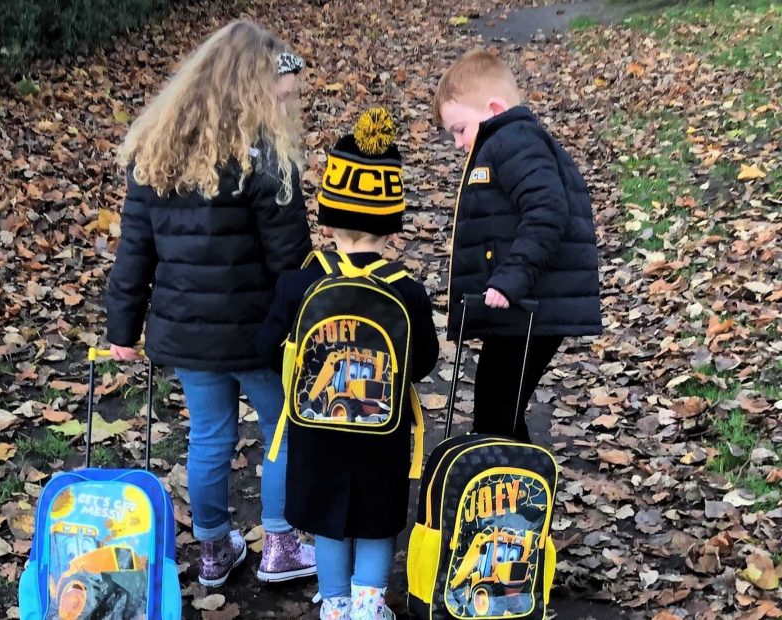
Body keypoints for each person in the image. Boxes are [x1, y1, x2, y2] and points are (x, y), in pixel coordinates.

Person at [104, 20, 317, 588]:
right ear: (251, 88)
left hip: (190, 335)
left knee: (209, 436)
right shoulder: (266, 161)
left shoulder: (157, 153)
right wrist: (311, 319)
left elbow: (135, 253)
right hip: (259, 333)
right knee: (282, 429)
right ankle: (278, 542)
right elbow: (291, 260)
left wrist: (122, 328)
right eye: (282, 93)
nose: (287, 104)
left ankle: (215, 547)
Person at [257, 109, 439, 620]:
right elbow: (422, 361)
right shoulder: (406, 290)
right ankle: (368, 604)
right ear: (391, 227)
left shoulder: (301, 281)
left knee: (326, 520)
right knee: (377, 520)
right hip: (382, 431)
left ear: (328, 218)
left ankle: (334, 604)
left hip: (316, 430)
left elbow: (265, 348)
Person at [434, 48, 602, 441]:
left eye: (460, 130)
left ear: (493, 108)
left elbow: (546, 210)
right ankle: (506, 489)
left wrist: (512, 276)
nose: (458, 143)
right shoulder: (503, 142)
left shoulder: (514, 140)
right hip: (519, 304)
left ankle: (510, 495)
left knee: (498, 412)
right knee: (498, 409)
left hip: (530, 302)